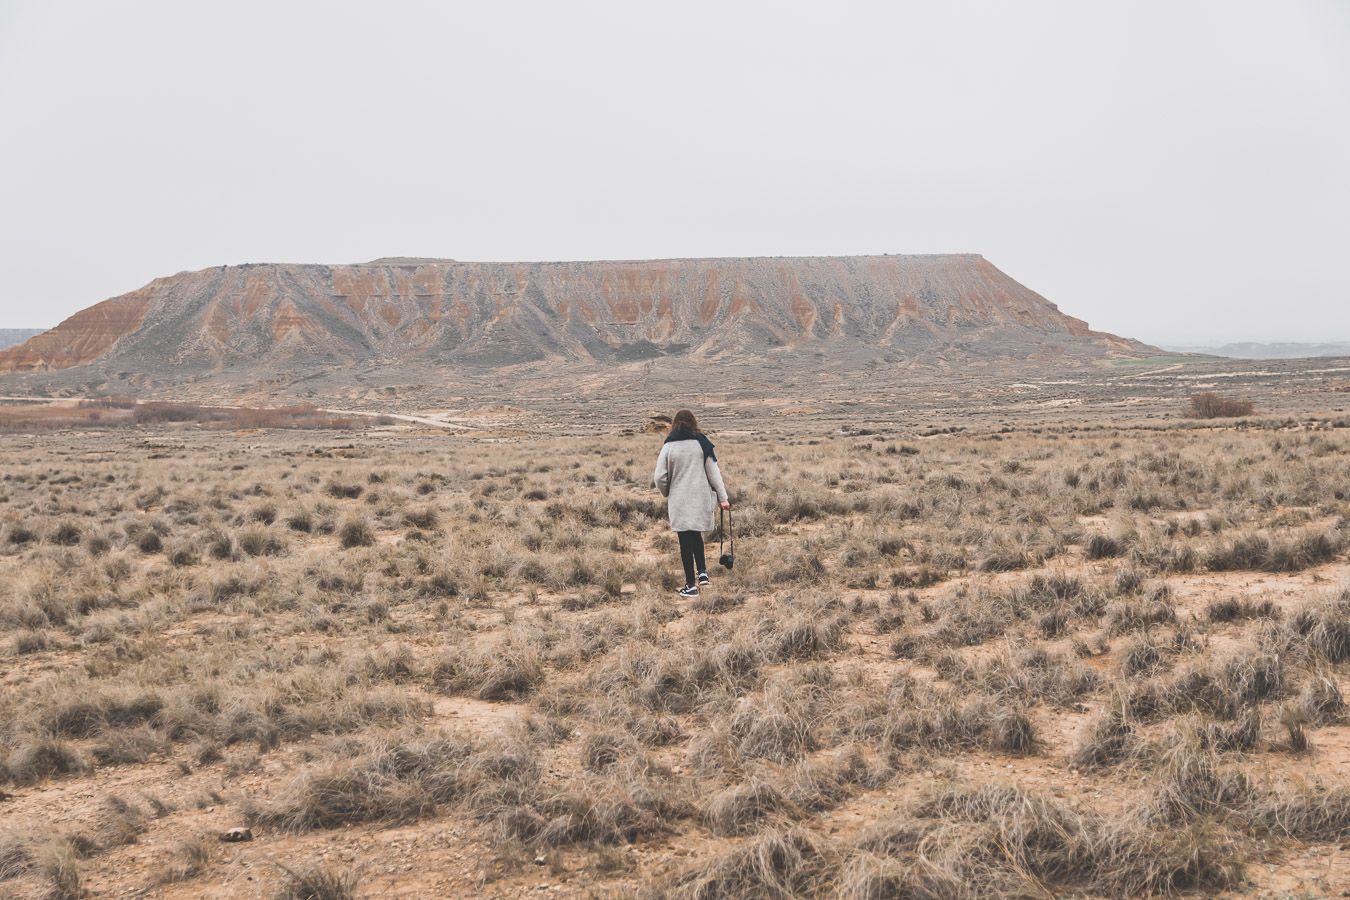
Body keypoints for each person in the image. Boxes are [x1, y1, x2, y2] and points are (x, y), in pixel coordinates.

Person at [653, 409, 730, 597]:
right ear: (693, 422)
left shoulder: (668, 446)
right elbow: (714, 474)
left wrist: (667, 492)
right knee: (696, 535)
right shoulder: (702, 443)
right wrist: (723, 498)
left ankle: (690, 586)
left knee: (685, 541)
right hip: (700, 498)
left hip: (679, 500)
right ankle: (702, 574)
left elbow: (659, 478)